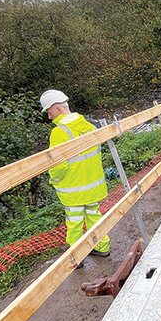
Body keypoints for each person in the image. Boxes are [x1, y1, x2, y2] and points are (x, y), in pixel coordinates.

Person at [40, 90, 110, 262]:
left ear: (57, 109)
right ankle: (102, 246)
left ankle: (76, 256)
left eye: (49, 112)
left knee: (75, 221)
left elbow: (57, 165)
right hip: (93, 185)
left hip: (73, 188)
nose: (49, 117)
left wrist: (55, 181)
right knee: (94, 215)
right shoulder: (88, 125)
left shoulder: (59, 132)